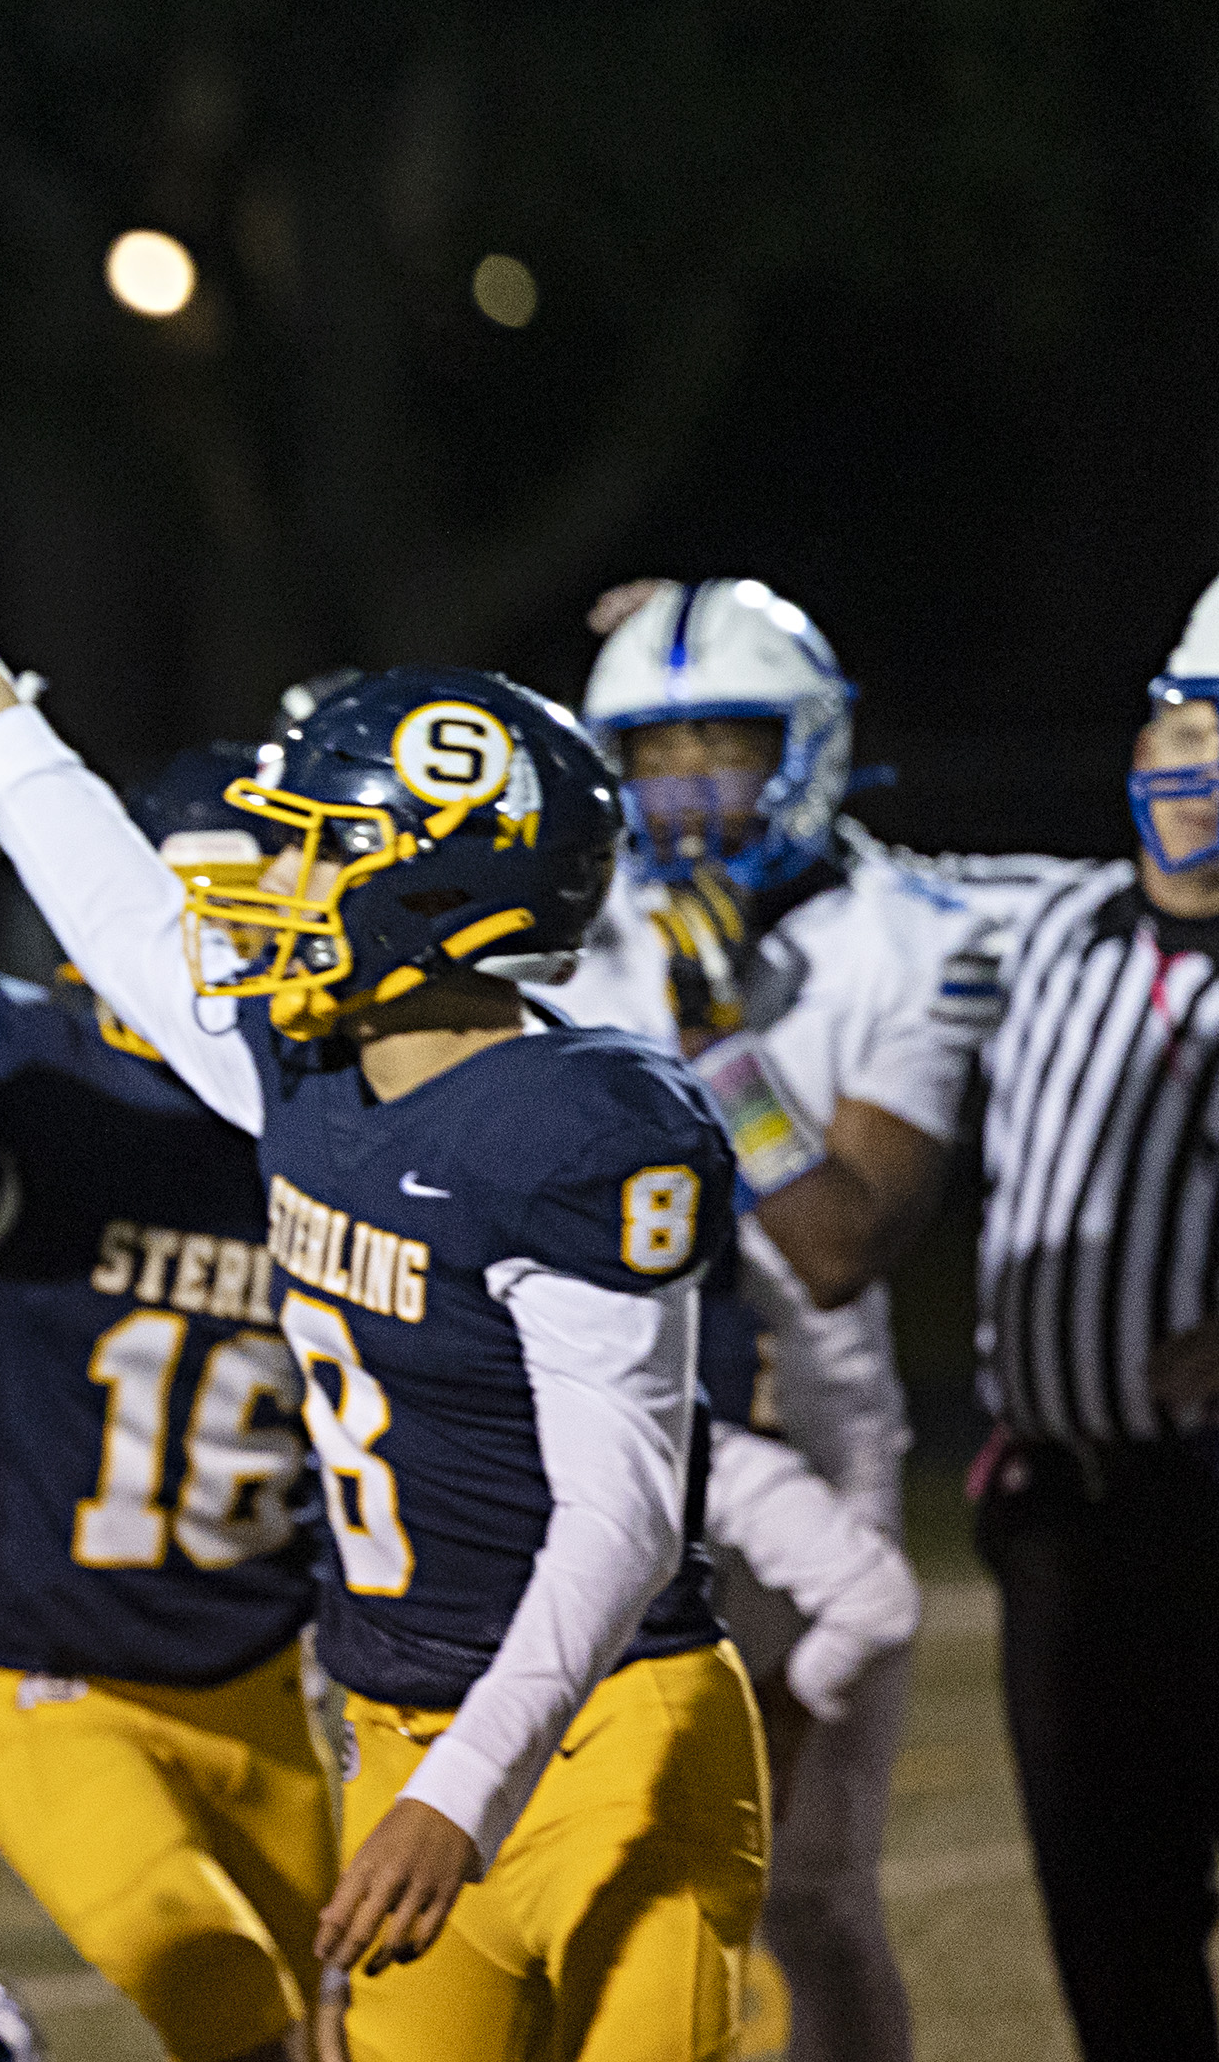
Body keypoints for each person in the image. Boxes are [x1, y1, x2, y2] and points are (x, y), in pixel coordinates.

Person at [0, 507, 763, 2061]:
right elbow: (127, 918)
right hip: (398, 1726)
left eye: (317, 846)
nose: (268, 880)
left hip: (613, 1734)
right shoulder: (308, 1074)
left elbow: (621, 1521)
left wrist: (458, 1798)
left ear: (437, 888)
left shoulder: (576, 1131)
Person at [0, 740, 332, 2062]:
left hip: (272, 1678)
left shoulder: (335, 1117)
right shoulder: (48, 1078)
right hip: (61, 1684)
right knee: (231, 2000)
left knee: (377, 2017)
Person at [538, 577, 958, 2062]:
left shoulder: (903, 937)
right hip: (588, 1443)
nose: (685, 790)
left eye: (718, 743)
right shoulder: (574, 914)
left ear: (807, 745)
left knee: (814, 1894)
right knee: (578, 1868)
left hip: (807, 1456)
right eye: (647, 756)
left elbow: (835, 1242)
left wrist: (721, 1040)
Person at [963, 574, 1219, 2062]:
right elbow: (859, 884)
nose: (1196, 778)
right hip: (1068, 1517)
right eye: (1178, 737)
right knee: (1113, 1941)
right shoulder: (1046, 925)